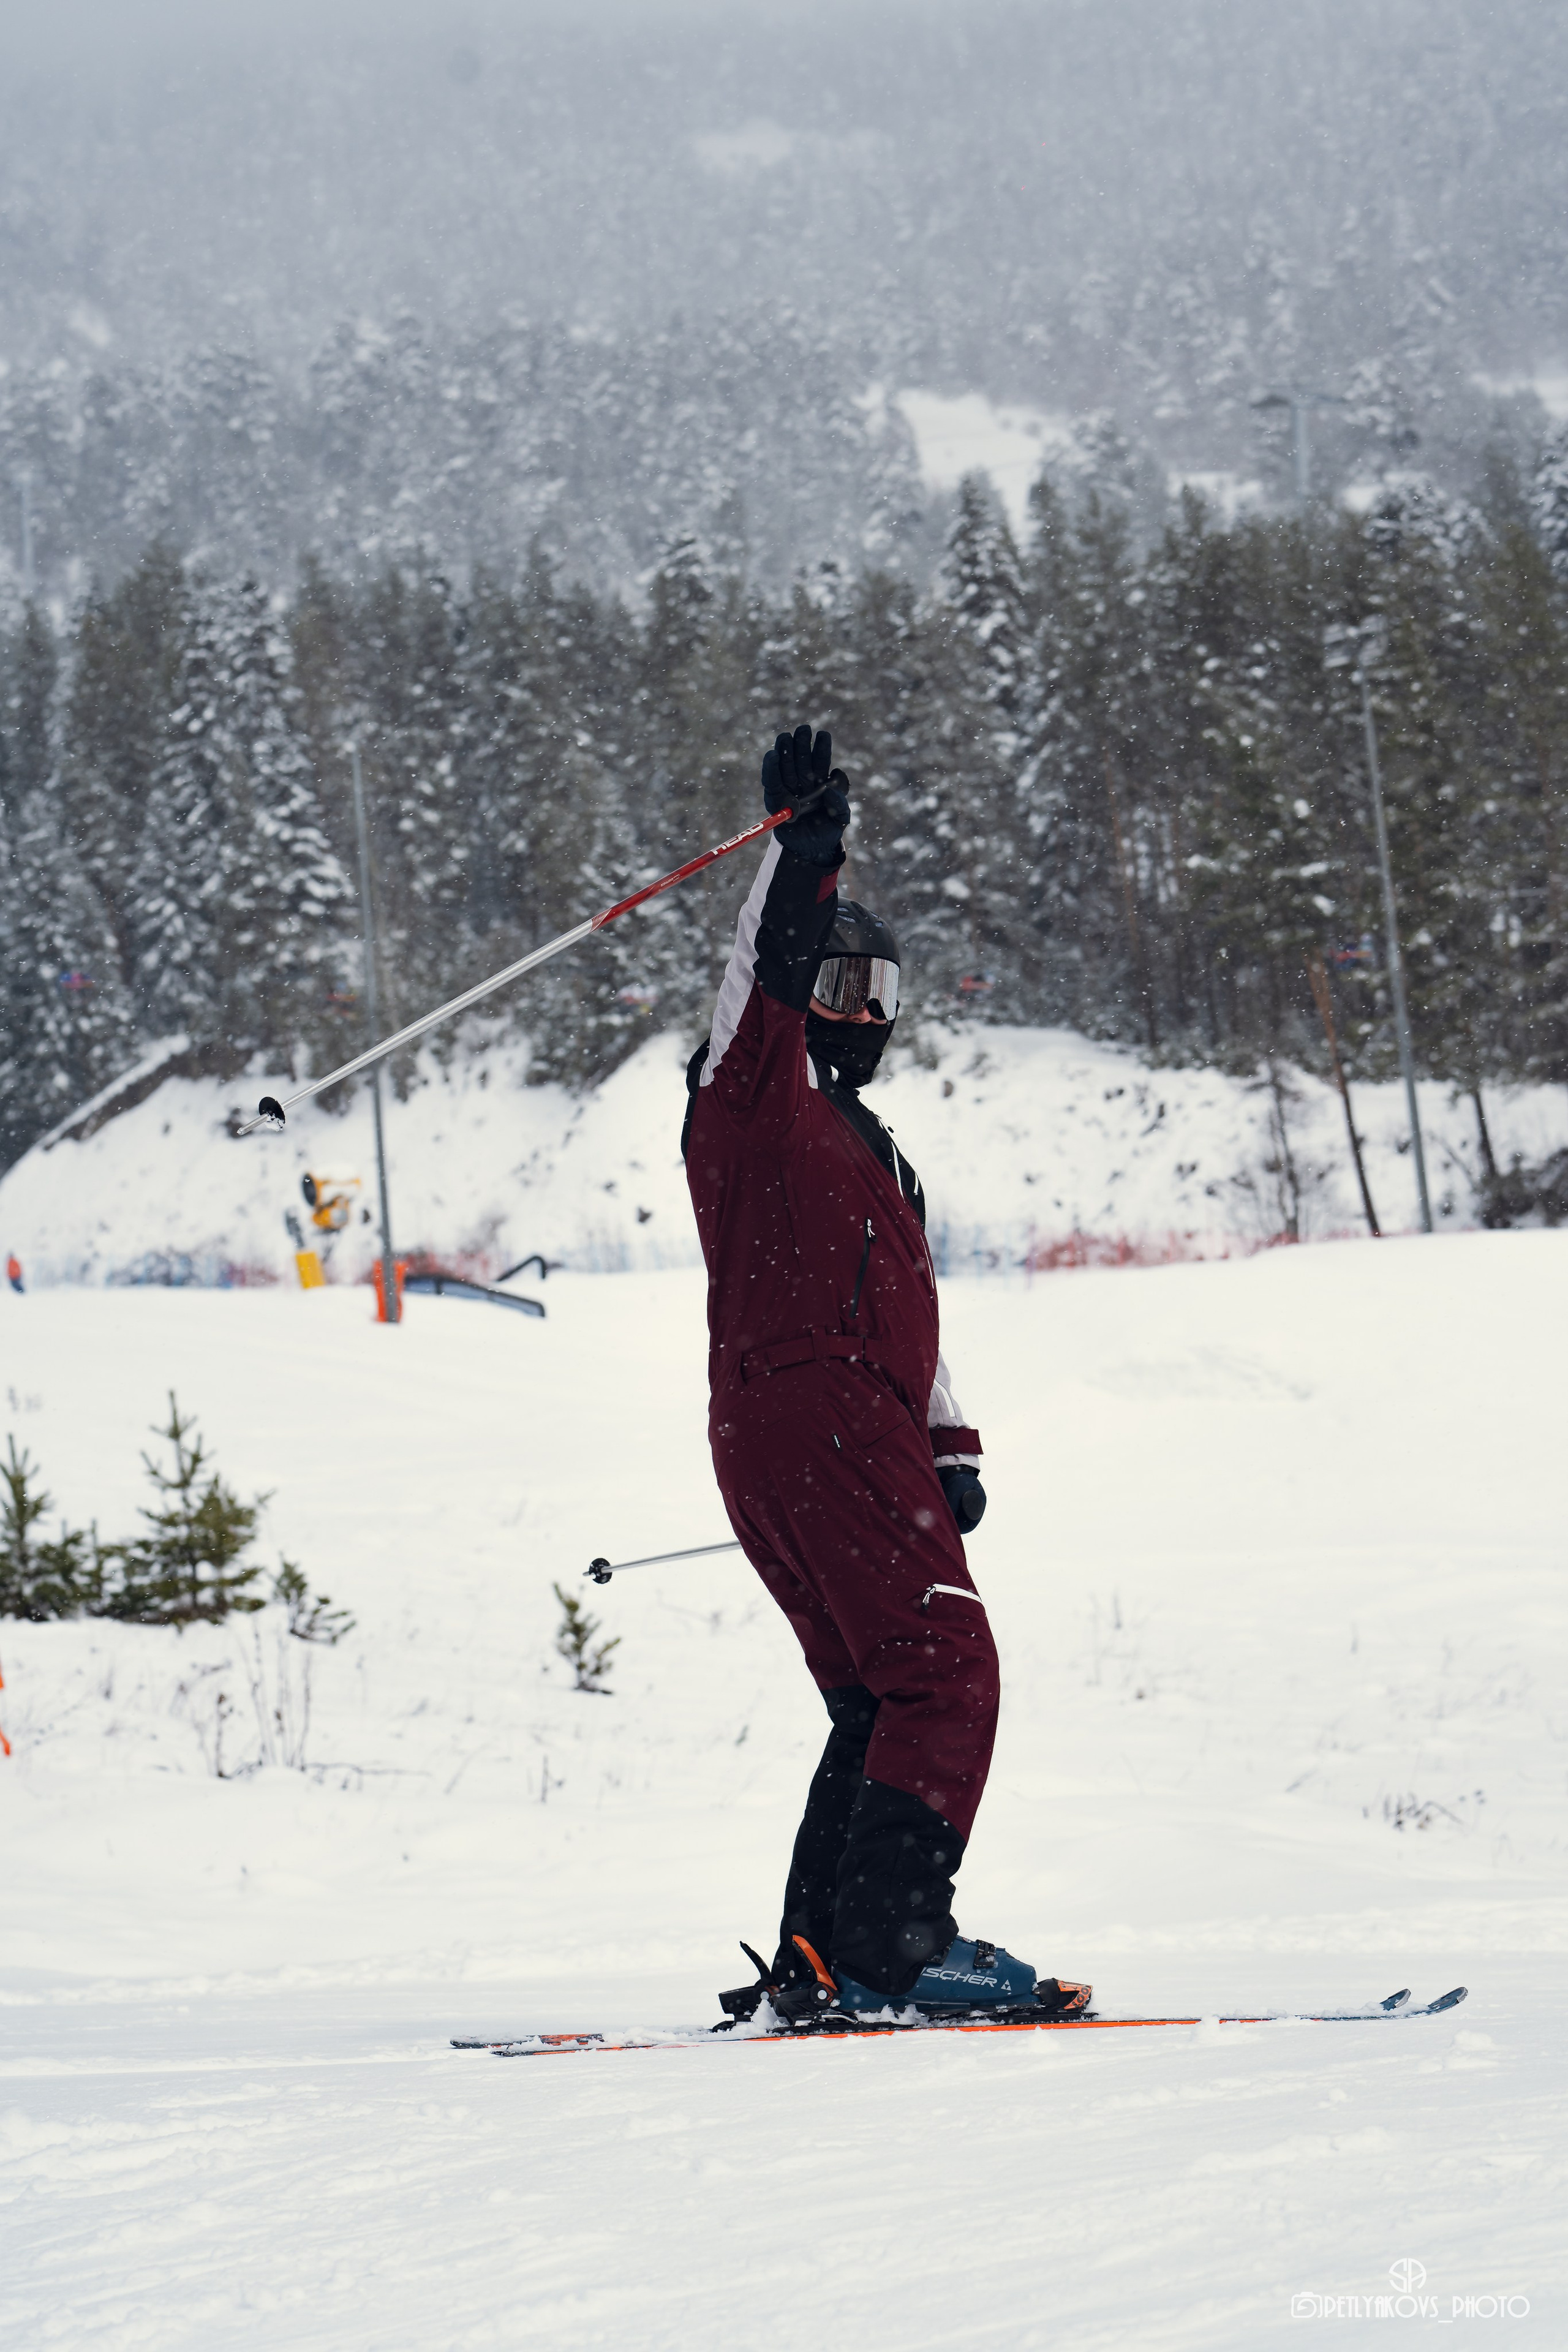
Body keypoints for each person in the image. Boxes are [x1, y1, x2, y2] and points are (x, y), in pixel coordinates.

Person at [683, 724, 1088, 2023]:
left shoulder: (879, 1156)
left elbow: (913, 1325)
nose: (861, 1017)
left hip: (797, 1426)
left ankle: (817, 1959)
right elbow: (753, 982)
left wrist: (950, 1449)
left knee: (875, 1693)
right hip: (815, 1415)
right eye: (843, 988)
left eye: (884, 999)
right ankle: (892, 1951)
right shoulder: (754, 1100)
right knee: (944, 1672)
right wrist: (803, 858)